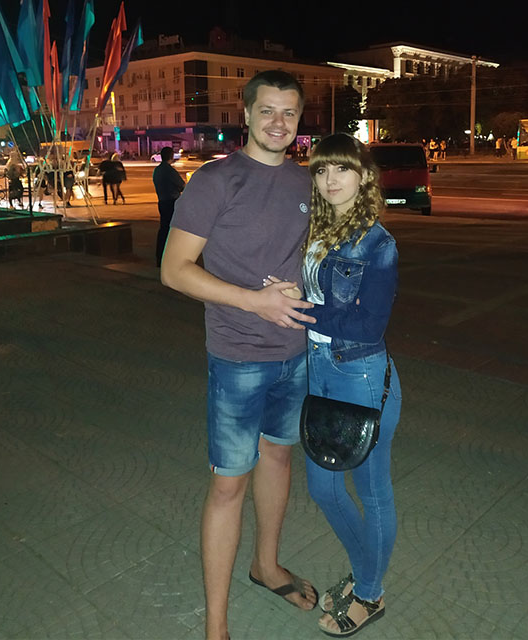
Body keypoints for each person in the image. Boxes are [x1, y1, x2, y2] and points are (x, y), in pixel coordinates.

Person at [161, 70, 319, 640]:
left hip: (296, 353)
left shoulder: (306, 181)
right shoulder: (215, 180)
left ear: (299, 121)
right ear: (246, 114)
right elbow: (174, 270)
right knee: (229, 484)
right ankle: (216, 625)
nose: (279, 122)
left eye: (289, 113)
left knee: (278, 459)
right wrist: (256, 301)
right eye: (267, 110)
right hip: (237, 358)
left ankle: (266, 565)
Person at [271, 133, 402, 637]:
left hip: (361, 373)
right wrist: (286, 292)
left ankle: (369, 593)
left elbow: (368, 325)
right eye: (322, 170)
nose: (330, 180)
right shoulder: (320, 228)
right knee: (323, 488)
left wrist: (301, 310)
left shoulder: (377, 243)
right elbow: (317, 291)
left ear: (363, 176)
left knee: (372, 491)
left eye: (342, 169)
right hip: (321, 369)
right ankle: (367, 571)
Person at [153, 146, 185, 267]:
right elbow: (182, 185)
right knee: (173, 230)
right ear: (171, 156)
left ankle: (160, 257)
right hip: (172, 202)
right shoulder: (170, 171)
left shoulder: (157, 170)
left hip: (162, 201)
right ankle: (172, 257)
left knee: (163, 229)